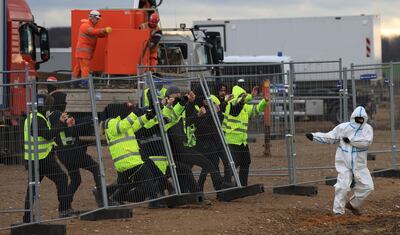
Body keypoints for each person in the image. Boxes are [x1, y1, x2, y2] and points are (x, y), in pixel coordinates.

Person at [305, 106, 374, 216]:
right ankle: (338, 212)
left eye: (362, 118)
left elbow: (366, 142)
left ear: (365, 119)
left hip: (360, 165)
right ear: (354, 117)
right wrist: (314, 136)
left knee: (368, 187)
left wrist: (350, 141)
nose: (360, 120)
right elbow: (330, 137)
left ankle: (352, 204)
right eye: (358, 118)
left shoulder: (367, 129)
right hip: (344, 164)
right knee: (342, 187)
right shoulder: (343, 128)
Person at [102, 103, 166, 208]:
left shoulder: (121, 122)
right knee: (147, 176)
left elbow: (135, 125)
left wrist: (148, 116)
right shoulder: (111, 122)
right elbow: (122, 127)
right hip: (128, 159)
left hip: (129, 159)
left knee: (128, 183)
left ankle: (111, 196)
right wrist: (134, 114)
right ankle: (154, 201)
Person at [47, 91, 104, 207]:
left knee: (76, 179)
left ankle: (65, 205)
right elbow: (74, 124)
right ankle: (103, 199)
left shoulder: (50, 116)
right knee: (95, 168)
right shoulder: (59, 114)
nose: (66, 103)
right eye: (64, 101)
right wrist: (92, 118)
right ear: (59, 102)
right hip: (72, 151)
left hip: (63, 153)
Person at [23, 94, 73, 222]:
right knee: (61, 178)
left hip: (34, 158)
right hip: (42, 158)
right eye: (48, 106)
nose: (49, 108)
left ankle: (27, 216)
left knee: (33, 187)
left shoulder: (32, 117)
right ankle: (64, 209)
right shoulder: (37, 118)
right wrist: (60, 122)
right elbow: (48, 135)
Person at [222, 85, 268, 186]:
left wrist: (264, 101)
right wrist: (250, 96)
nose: (244, 97)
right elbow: (237, 102)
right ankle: (225, 185)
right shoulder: (230, 105)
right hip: (231, 140)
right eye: (242, 95)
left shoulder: (245, 107)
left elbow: (256, 110)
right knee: (233, 164)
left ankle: (242, 184)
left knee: (246, 162)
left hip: (242, 140)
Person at [72, 10, 112, 87]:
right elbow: (93, 32)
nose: (97, 20)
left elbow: (98, 34)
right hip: (83, 52)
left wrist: (105, 33)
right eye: (97, 19)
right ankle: (85, 84)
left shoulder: (92, 26)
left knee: (78, 68)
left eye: (98, 19)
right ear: (92, 17)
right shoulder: (85, 26)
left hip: (83, 52)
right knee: (85, 68)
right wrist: (104, 30)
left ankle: (74, 83)